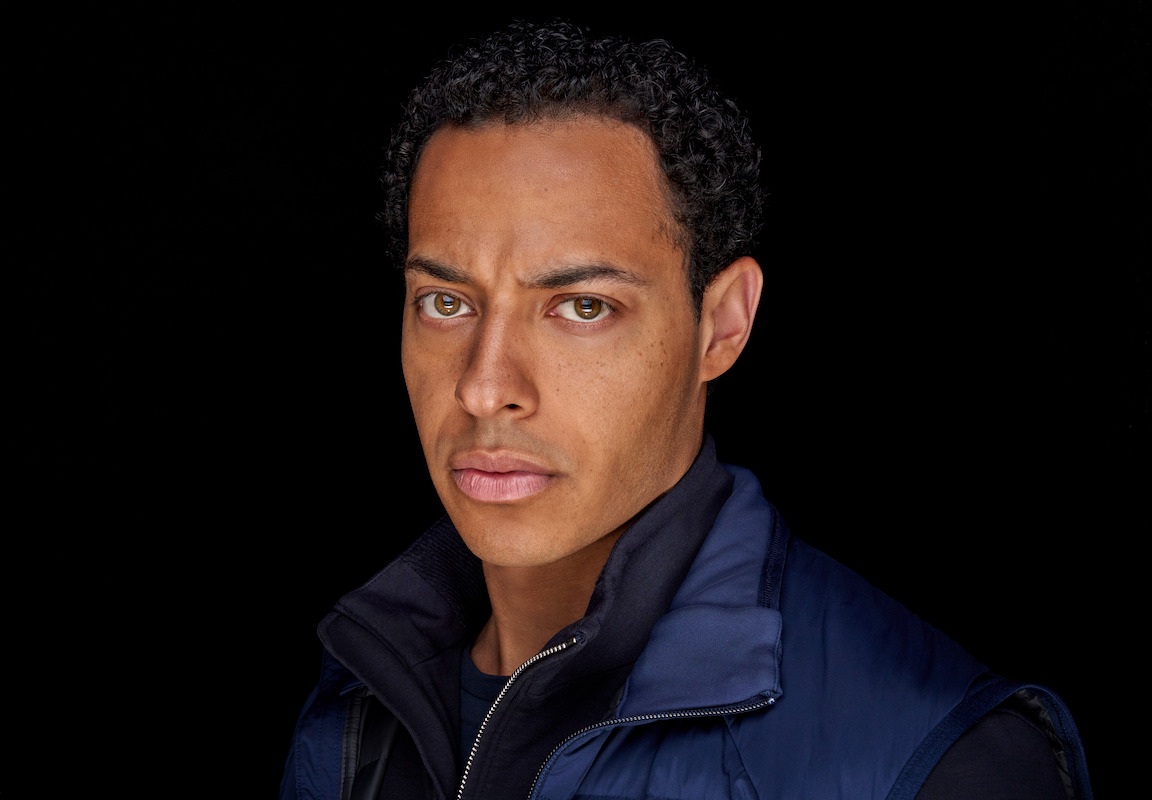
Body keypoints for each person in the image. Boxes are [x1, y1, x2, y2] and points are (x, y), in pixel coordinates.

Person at [280, 20, 1092, 799]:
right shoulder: (358, 698)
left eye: (582, 307)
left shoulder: (937, 763)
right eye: (446, 303)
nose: (484, 387)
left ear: (724, 324)